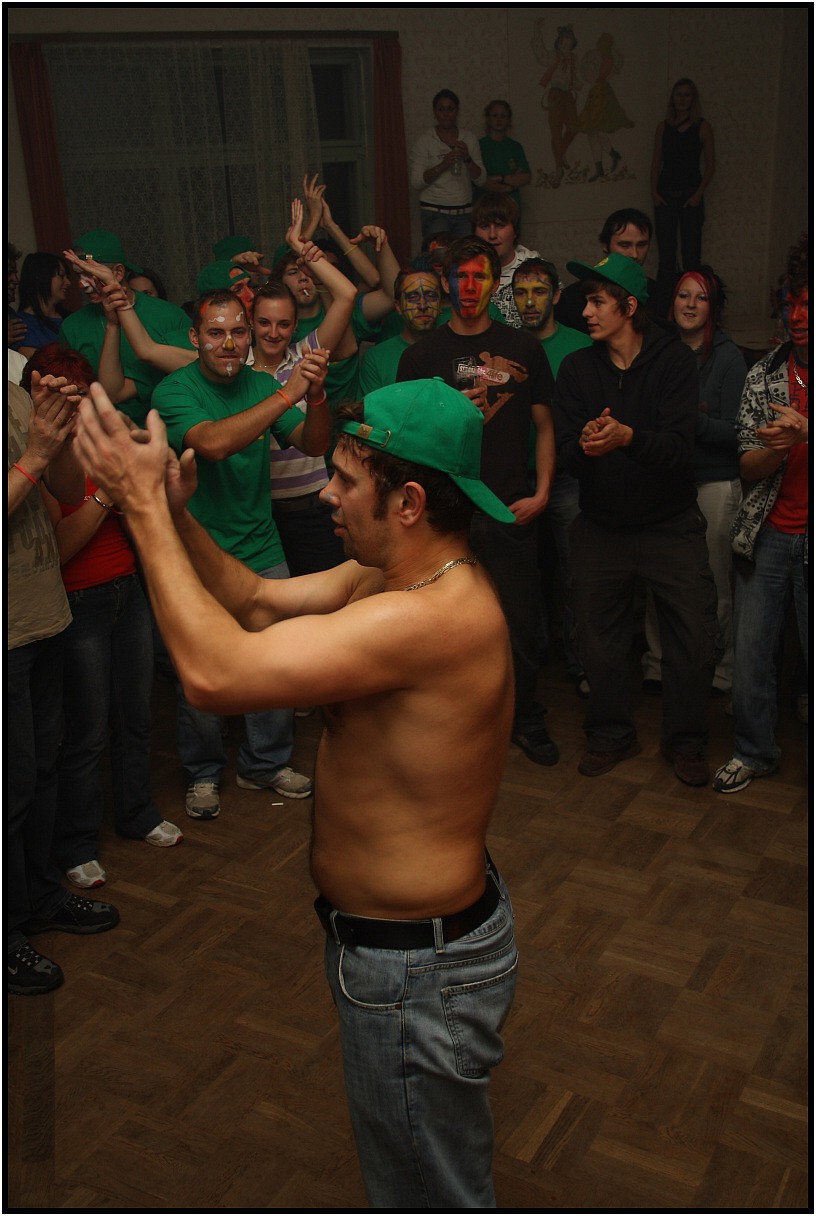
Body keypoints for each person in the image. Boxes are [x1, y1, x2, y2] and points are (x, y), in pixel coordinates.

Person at [75, 375, 518, 1210]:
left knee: (428, 1195)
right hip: (400, 953)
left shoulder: (435, 617)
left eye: (345, 480)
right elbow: (253, 602)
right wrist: (172, 512)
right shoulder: (387, 581)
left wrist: (137, 508)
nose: (325, 493)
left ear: (409, 503)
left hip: (417, 970)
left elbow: (214, 675)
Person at [152, 289, 331, 819]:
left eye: (237, 332)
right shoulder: (173, 390)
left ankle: (264, 764)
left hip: (261, 544)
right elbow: (211, 444)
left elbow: (313, 444)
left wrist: (316, 396)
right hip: (197, 553)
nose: (228, 344)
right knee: (203, 667)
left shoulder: (260, 385)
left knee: (275, 661)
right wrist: (286, 393)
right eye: (215, 333)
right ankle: (203, 772)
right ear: (195, 337)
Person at [552, 251, 719, 785]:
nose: (586, 312)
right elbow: (565, 453)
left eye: (597, 302)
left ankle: (686, 742)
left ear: (629, 307)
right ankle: (610, 735)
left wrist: (628, 438)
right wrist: (586, 443)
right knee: (598, 640)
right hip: (602, 525)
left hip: (669, 524)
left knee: (693, 638)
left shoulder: (674, 363)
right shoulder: (577, 368)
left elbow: (679, 450)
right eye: (586, 302)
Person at [24, 344, 183, 889]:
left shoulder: (99, 445)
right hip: (79, 602)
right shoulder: (37, 460)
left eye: (78, 398)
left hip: (127, 590)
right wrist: (104, 501)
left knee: (136, 715)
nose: (71, 411)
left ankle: (137, 813)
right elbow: (59, 549)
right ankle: (78, 843)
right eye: (59, 400)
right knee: (86, 731)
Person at [397, 236, 560, 767]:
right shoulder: (420, 356)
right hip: (447, 514)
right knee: (444, 626)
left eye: (479, 277)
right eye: (459, 277)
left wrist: (542, 492)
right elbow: (406, 440)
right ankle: (454, 722)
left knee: (521, 621)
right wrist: (446, 411)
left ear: (494, 284)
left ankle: (526, 718)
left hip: (507, 506)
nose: (468, 287)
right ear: (447, 284)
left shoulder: (524, 348)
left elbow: (544, 425)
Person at [8, 370, 120, 995]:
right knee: (11, 786)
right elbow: (30, 470)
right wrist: (34, 454)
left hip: (41, 612)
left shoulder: (13, 389)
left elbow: (67, 491)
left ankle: (38, 897)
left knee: (42, 769)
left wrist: (65, 436)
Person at [713, 235, 808, 794]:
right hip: (768, 534)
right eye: (790, 304)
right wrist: (779, 448)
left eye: (808, 305)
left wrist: (807, 432)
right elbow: (748, 466)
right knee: (750, 656)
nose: (797, 317)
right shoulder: (763, 374)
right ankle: (753, 751)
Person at [641, 267, 745, 697]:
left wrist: (688, 420)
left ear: (712, 306)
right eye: (683, 295)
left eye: (700, 297)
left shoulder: (728, 357)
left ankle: (719, 671)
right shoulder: (655, 351)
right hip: (663, 481)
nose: (690, 304)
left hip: (713, 484)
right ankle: (657, 664)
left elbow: (738, 431)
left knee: (713, 582)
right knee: (657, 578)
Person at [512, 257, 592, 694]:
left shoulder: (580, 346)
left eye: (539, 292)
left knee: (575, 569)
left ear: (557, 296)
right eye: (521, 293)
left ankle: (581, 661)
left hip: (567, 478)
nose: (530, 301)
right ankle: (534, 654)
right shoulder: (504, 346)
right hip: (513, 475)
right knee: (524, 573)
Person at [61, 230, 194, 425]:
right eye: (78, 275)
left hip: (168, 431)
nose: (82, 285)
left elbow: (197, 375)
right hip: (104, 435)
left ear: (118, 273)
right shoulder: (72, 327)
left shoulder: (170, 316)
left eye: (90, 275)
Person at [651, 78, 715, 315]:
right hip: (665, 195)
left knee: (691, 256)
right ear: (673, 98)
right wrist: (654, 192)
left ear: (693, 99)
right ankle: (664, 311)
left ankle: (695, 309)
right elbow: (656, 162)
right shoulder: (663, 127)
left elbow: (710, 166)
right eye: (679, 94)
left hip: (691, 197)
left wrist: (698, 195)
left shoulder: (702, 126)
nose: (682, 99)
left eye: (687, 94)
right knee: (666, 257)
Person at [554, 208, 655, 333]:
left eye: (642, 245)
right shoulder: (571, 298)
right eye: (624, 245)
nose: (634, 254)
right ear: (605, 245)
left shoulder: (659, 293)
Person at [409, 89, 485, 241]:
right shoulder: (425, 141)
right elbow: (416, 182)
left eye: (450, 109)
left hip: (464, 213)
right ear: (434, 112)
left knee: (467, 255)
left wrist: (467, 159)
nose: (446, 114)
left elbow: (481, 180)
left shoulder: (468, 138)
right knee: (437, 255)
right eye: (441, 109)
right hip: (434, 212)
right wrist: (444, 164)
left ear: (457, 111)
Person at [359, 268, 443, 394]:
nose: (423, 305)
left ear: (440, 304)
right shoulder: (376, 358)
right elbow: (371, 406)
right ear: (398, 306)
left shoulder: (454, 346)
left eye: (430, 296)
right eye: (413, 297)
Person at [472, 192, 540, 327]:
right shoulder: (464, 274)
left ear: (515, 231)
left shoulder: (539, 272)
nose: (492, 235)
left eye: (500, 225)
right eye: (484, 227)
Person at [576, 32, 633, 182]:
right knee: (592, 133)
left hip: (600, 94)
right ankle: (604, 162)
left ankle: (608, 158)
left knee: (594, 130)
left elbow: (598, 77)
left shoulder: (608, 59)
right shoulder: (600, 58)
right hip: (595, 93)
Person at [535, 23, 581, 186]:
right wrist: (537, 31)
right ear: (559, 43)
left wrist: (576, 84)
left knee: (574, 127)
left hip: (568, 95)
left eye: (570, 42)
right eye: (564, 42)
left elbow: (573, 76)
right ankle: (558, 169)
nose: (567, 45)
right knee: (556, 130)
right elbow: (540, 54)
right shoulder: (554, 56)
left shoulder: (573, 59)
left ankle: (561, 153)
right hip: (556, 94)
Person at [475, 99, 532, 213]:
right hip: (485, 205)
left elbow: (525, 177)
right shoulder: (478, 146)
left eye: (503, 116)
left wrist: (501, 178)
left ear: (508, 120)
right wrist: (509, 186)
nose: (499, 119)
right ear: (488, 119)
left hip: (510, 206)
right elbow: (480, 181)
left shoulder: (515, 147)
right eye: (495, 116)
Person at [12, 252, 71, 357]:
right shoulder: (21, 326)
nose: (68, 282)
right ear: (41, 277)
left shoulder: (70, 319)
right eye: (61, 276)